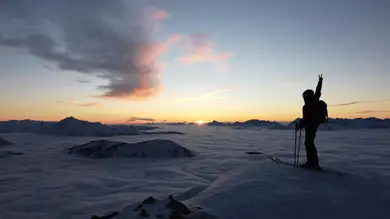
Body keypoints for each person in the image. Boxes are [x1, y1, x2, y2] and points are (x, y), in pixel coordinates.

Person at [296, 74, 323, 168]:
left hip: (310, 126)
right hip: (314, 125)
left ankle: (312, 163)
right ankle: (312, 162)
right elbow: (318, 92)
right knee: (309, 143)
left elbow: (306, 119)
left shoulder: (307, 106)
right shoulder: (315, 101)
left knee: (309, 143)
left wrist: (299, 126)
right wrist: (320, 81)